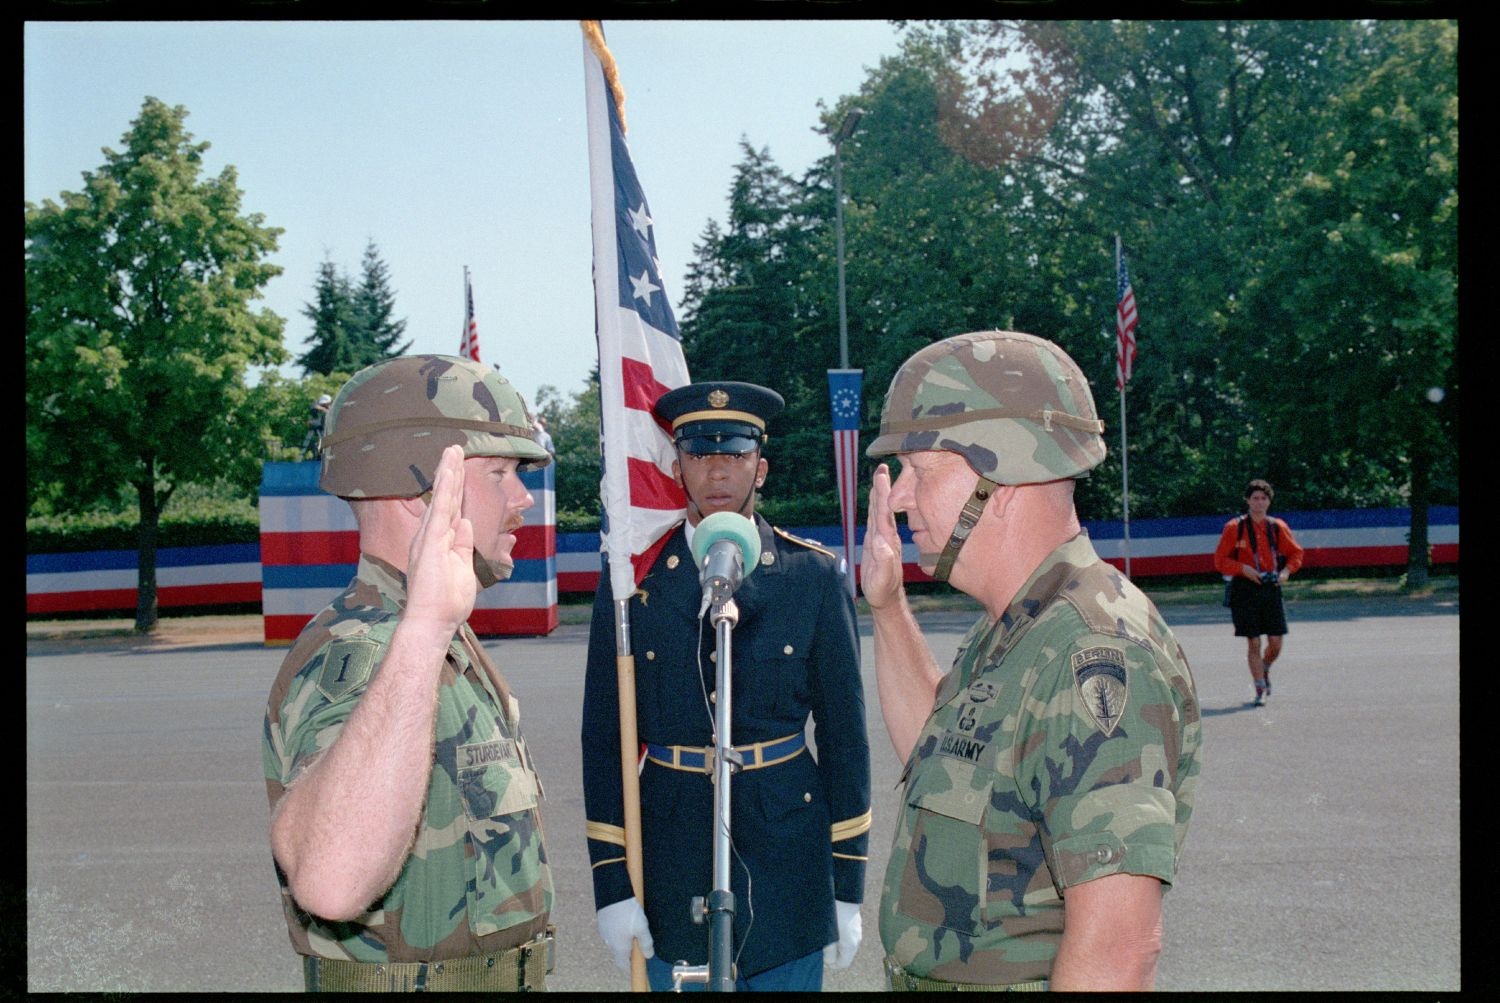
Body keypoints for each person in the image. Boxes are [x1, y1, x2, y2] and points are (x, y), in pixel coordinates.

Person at [861, 330, 1202, 992]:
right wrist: (887, 605)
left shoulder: (1094, 651)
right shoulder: (1017, 627)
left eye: (922, 470)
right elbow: (940, 758)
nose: (900, 498)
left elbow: (1118, 951)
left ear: (1003, 475)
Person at [263, 355, 557, 992]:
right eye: (501, 473)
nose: (523, 498)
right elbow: (330, 880)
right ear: (424, 495)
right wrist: (422, 630)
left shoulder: (434, 636)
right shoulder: (370, 649)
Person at [581, 380, 871, 992]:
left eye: (735, 455)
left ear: (760, 469)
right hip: (669, 856)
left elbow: (846, 740)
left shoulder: (812, 578)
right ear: (677, 464)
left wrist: (846, 887)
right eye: (699, 454)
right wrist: (612, 883)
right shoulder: (631, 587)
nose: (717, 470)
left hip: (787, 861)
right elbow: (603, 740)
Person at [1213, 478, 1304, 707]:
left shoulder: (1277, 527)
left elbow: (1296, 554)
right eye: (1255, 498)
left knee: (1276, 642)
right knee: (1253, 642)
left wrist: (1285, 572)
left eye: (1264, 498)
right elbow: (1220, 561)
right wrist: (1242, 568)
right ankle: (1259, 687)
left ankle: (1265, 667)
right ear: (1247, 501)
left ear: (1269, 501)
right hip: (1245, 589)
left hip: (1270, 587)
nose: (1259, 503)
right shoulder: (1235, 528)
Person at [300, 393, 332, 459]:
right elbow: (314, 407)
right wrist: (323, 409)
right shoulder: (317, 404)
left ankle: (322, 452)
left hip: (325, 427)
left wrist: (326, 410)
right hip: (319, 425)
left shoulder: (332, 406)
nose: (323, 404)